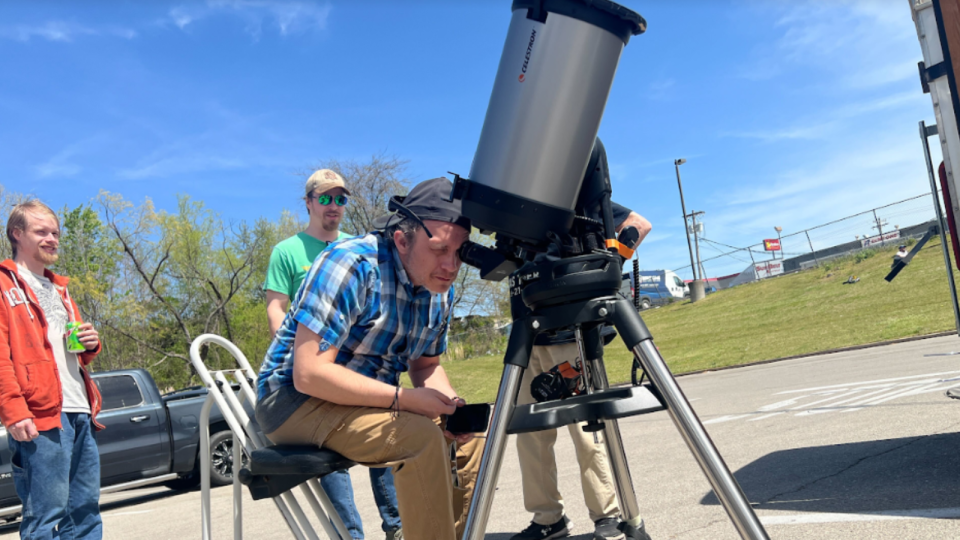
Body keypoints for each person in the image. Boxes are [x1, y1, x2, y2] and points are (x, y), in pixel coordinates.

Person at [256, 177, 483, 540]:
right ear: (401, 239)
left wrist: (451, 405)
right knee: (420, 438)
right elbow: (309, 374)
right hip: (294, 402)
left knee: (473, 439)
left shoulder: (441, 290)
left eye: (460, 253)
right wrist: (406, 400)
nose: (451, 265)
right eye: (440, 249)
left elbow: (426, 366)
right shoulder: (351, 264)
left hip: (367, 403)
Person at [263, 169, 402, 540]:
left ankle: (398, 527)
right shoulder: (287, 252)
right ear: (308, 203)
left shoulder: (357, 248)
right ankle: (350, 534)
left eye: (340, 199)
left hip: (359, 366)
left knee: (390, 423)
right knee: (329, 448)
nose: (333, 206)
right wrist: (294, 350)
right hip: (315, 368)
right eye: (324, 198)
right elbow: (276, 307)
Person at [511, 203, 653, 540]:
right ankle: (548, 518)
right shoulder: (514, 209)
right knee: (528, 436)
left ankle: (608, 515)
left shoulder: (568, 197)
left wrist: (610, 263)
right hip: (526, 334)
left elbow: (639, 224)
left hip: (569, 332)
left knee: (588, 432)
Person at [0, 200, 104, 539]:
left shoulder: (60, 287)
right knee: (45, 517)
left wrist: (89, 344)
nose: (52, 239)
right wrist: (14, 411)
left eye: (55, 233)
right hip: (40, 416)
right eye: (41, 231)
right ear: (17, 234)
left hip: (80, 410)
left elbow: (67, 352)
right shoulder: (4, 286)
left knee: (86, 511)